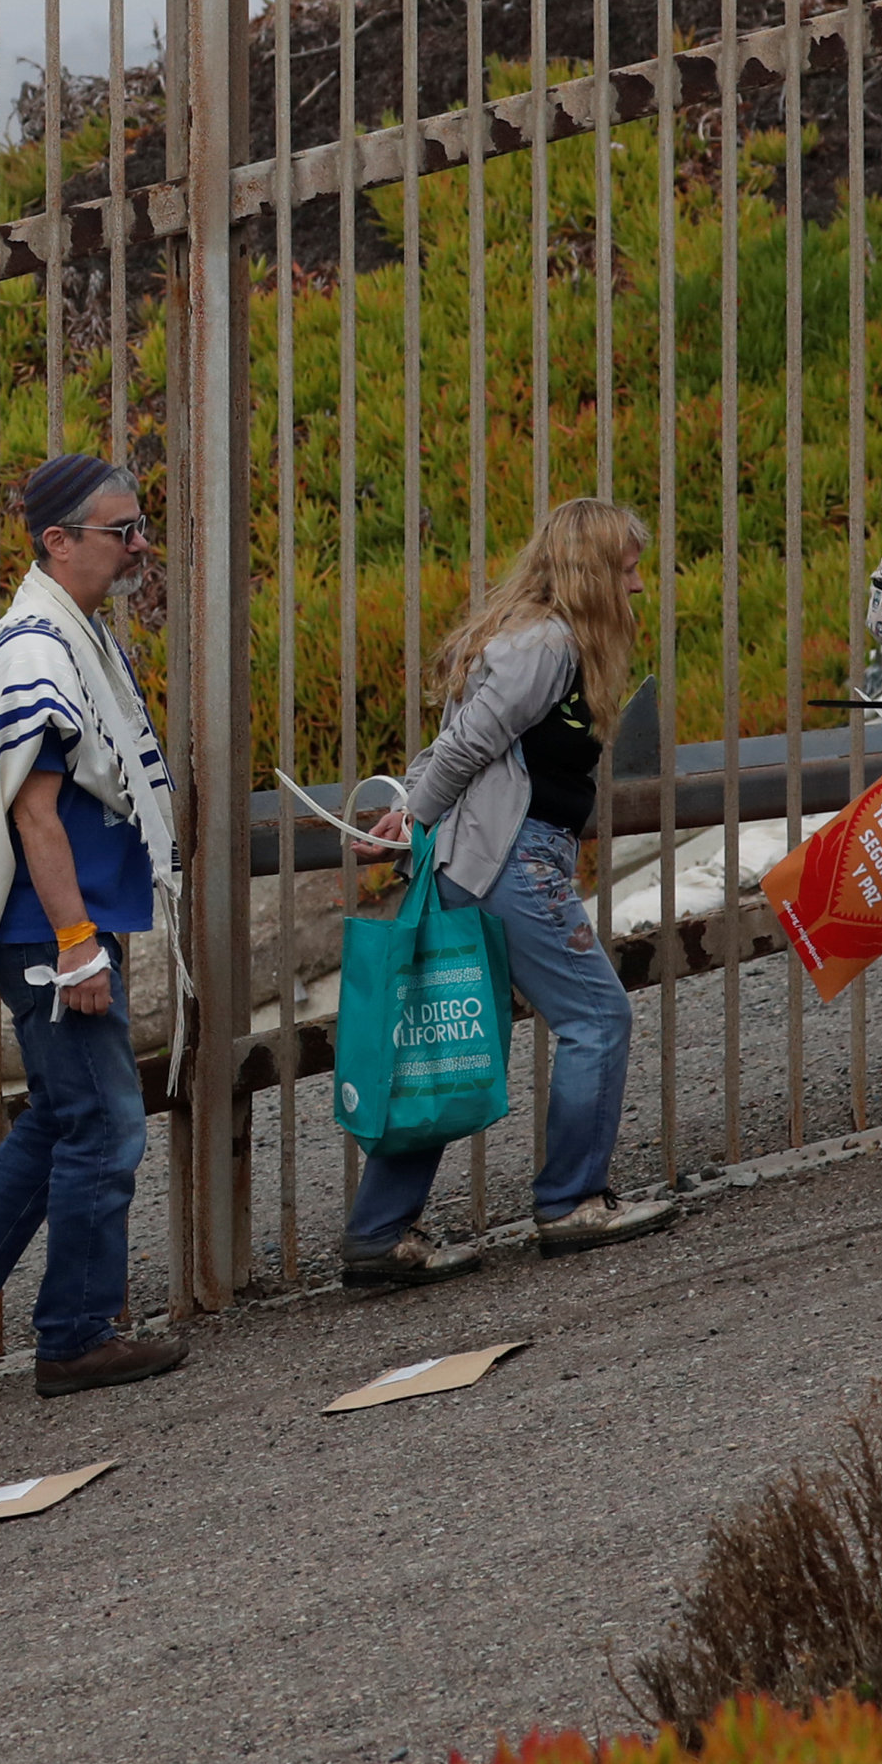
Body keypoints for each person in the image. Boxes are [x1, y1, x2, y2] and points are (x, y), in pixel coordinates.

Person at [0, 455, 191, 1403]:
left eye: (141, 526)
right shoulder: (37, 648)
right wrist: (75, 944)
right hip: (47, 931)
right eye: (121, 531)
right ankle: (76, 1337)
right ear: (57, 541)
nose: (140, 546)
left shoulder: (64, 632)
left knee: (65, 1113)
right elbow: (33, 814)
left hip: (49, 925)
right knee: (105, 1120)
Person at [348, 497, 680, 1277]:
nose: (636, 587)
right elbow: (466, 745)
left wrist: (410, 816)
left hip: (484, 861)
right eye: (626, 570)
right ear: (592, 573)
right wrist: (416, 814)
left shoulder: (528, 637)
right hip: (512, 864)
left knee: (460, 1040)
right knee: (597, 1017)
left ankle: (378, 1233)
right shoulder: (548, 645)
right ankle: (573, 1202)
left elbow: (456, 741)